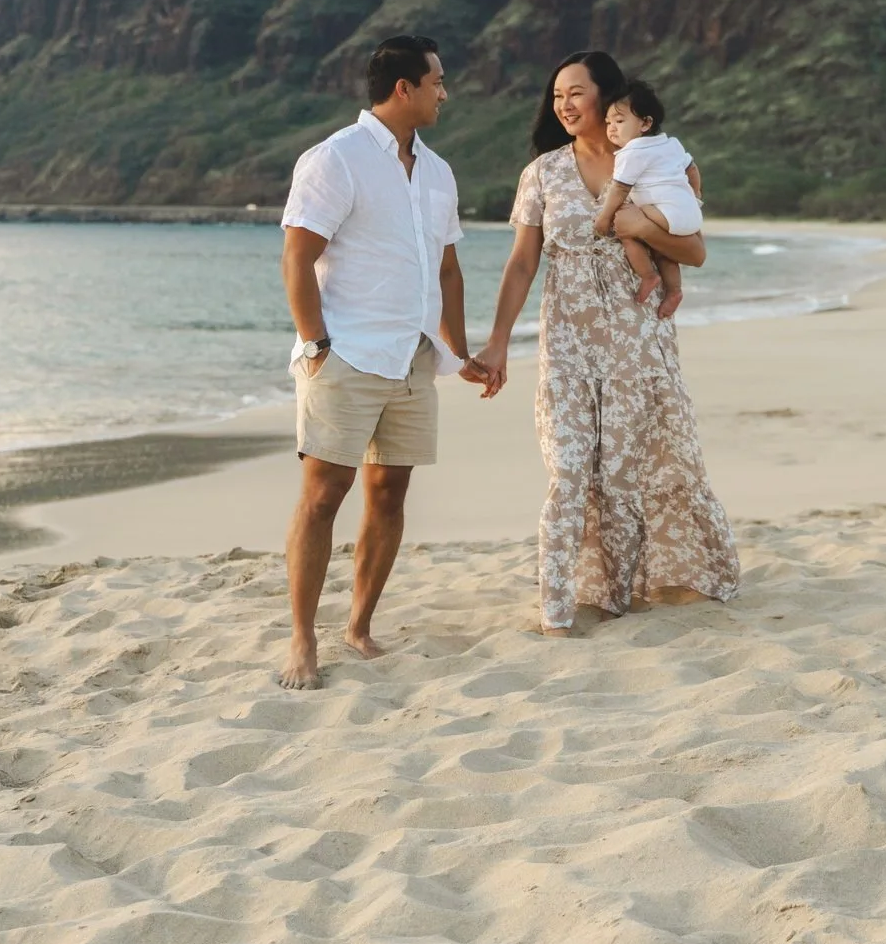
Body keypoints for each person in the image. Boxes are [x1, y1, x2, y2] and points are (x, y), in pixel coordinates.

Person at [475, 51, 739, 636]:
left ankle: (629, 590)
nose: (564, 106)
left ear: (609, 98)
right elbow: (522, 264)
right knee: (568, 469)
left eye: (576, 93)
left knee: (630, 469)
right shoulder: (542, 172)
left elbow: (693, 251)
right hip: (566, 342)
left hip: (638, 341)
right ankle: (557, 610)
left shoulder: (650, 161)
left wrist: (642, 227)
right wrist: (496, 344)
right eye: (556, 96)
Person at [276, 34, 487, 689]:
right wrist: (315, 344)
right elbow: (297, 255)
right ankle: (302, 640)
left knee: (390, 493)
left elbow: (447, 270)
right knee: (322, 497)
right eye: (438, 82)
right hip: (349, 352)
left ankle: (359, 626)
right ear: (405, 88)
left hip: (413, 357)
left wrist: (458, 349)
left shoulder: (438, 170)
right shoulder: (335, 159)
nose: (444, 93)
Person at [591, 77, 702, 318]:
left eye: (619, 121)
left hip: (665, 214)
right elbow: (691, 168)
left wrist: (604, 217)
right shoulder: (670, 143)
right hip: (690, 214)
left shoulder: (631, 152)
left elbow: (619, 189)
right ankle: (674, 291)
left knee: (627, 230)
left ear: (645, 123)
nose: (611, 128)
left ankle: (648, 275)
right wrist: (696, 195)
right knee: (663, 250)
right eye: (608, 121)